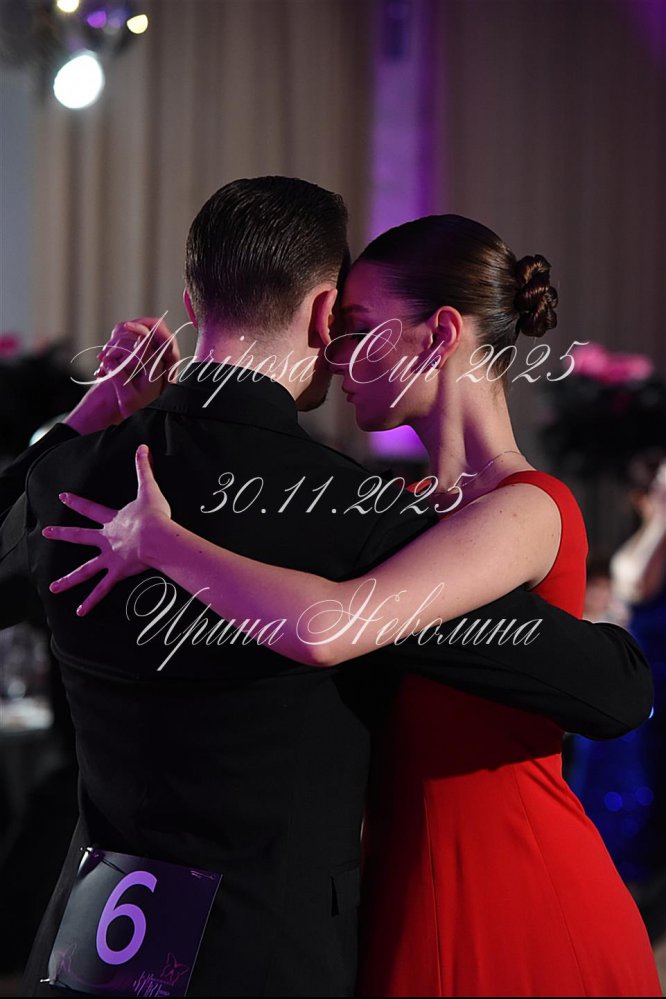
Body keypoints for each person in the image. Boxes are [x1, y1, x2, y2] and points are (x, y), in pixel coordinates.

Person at [0, 185, 655, 998]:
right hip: (280, 947)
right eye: (341, 325)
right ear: (318, 312)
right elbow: (609, 685)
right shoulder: (357, 513)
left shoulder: (73, 476)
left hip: (105, 944)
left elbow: (335, 625)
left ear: (193, 301)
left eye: (359, 328)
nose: (342, 354)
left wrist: (98, 428)